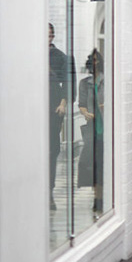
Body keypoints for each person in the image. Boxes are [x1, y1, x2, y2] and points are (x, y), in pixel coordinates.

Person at [48, 23, 74, 211]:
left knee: (51, 150)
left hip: (53, 109)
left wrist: (63, 104)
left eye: (48, 35)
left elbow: (67, 83)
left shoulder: (62, 58)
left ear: (52, 36)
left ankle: (48, 192)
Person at [78, 49, 105, 217]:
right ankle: (97, 196)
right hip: (91, 128)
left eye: (97, 61)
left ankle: (101, 198)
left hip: (105, 127)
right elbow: (81, 103)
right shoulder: (84, 83)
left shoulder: (106, 81)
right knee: (90, 164)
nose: (94, 64)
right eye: (92, 61)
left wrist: (103, 107)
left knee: (102, 164)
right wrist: (85, 112)